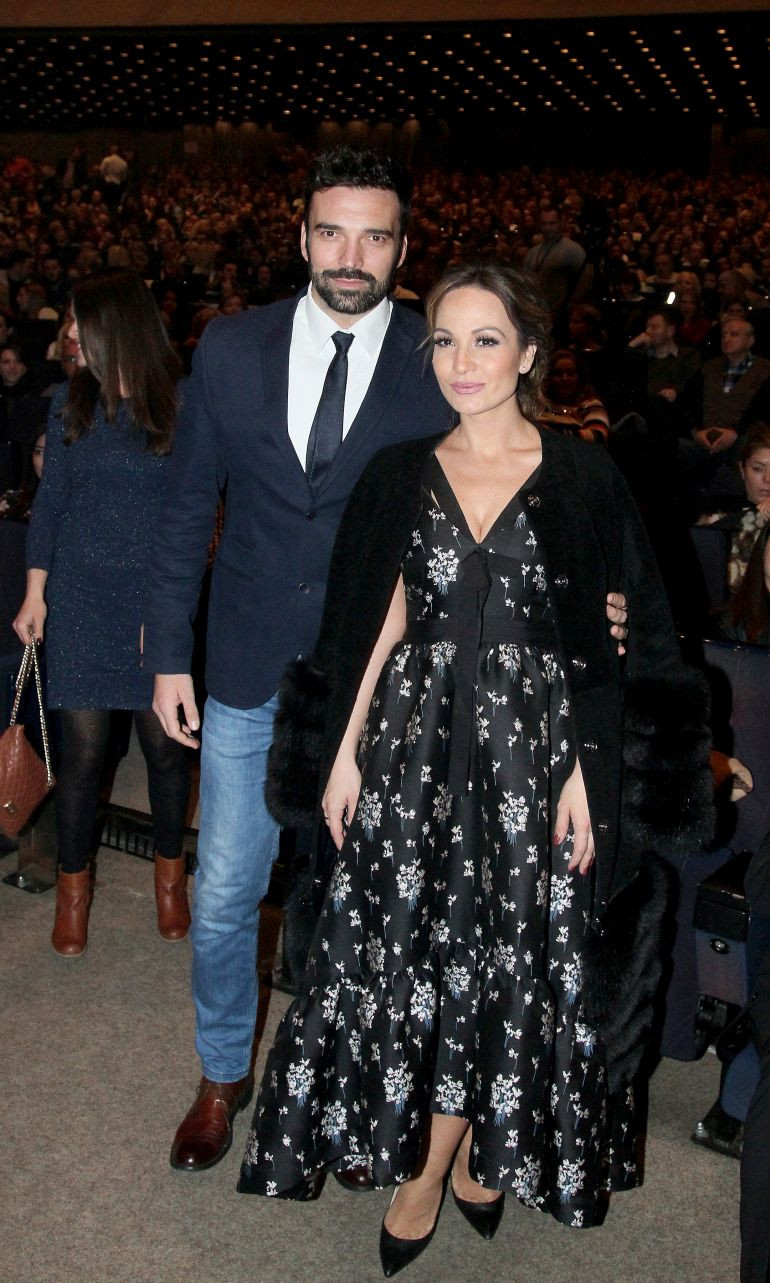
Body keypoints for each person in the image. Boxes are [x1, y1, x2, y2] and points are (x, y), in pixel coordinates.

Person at [142, 148, 630, 1180]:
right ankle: (222, 1073)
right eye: (332, 231)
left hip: (397, 685)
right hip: (247, 662)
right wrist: (168, 650)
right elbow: (187, 504)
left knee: (370, 905)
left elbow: (510, 483)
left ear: (403, 249)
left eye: (374, 236)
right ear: (302, 236)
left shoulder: (438, 350)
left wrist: (590, 600)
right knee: (225, 889)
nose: (350, 255)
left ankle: (354, 1089)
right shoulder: (230, 346)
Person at [237, 263, 712, 1277]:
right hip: (413, 744)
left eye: (484, 339)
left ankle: (453, 1155)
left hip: (537, 757)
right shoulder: (398, 471)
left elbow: (629, 629)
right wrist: (342, 749)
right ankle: (437, 1157)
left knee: (511, 956)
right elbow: (376, 617)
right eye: (444, 340)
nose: (461, 361)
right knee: (415, 950)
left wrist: (590, 771)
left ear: (528, 352)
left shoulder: (584, 475)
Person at [13, 271, 191, 958]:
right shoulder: (69, 401)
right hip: (81, 598)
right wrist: (35, 592)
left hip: (154, 600)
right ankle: (73, 890)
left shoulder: (178, 404)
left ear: (116, 326)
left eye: (80, 323)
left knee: (165, 749)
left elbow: (188, 515)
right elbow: (51, 503)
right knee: (83, 754)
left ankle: (170, 879)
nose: (70, 335)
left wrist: (167, 610)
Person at [541, 349, 610, 442]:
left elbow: (598, 435)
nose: (564, 379)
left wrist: (550, 433)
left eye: (570, 373)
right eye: (558, 374)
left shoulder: (591, 405)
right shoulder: (540, 404)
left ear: (579, 377)